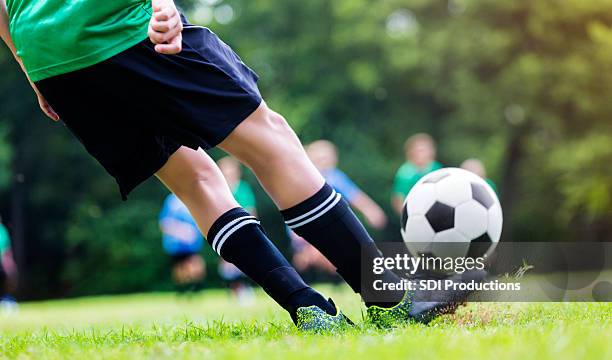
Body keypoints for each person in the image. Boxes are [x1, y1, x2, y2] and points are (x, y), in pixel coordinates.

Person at [1, 0, 479, 331]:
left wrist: (33, 68)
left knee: (196, 180)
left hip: (51, 57)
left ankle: (309, 310)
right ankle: (391, 299)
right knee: (273, 142)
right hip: (120, 25)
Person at [291, 140, 387, 274]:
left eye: (327, 159)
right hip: (305, 232)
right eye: (320, 159)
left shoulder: (335, 177)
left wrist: (371, 210)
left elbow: (355, 196)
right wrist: (302, 241)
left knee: (345, 253)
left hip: (329, 228)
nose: (324, 163)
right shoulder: (304, 179)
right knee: (309, 258)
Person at [217, 156, 256, 304]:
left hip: (242, 227)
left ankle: (245, 288)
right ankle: (233, 289)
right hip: (224, 228)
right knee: (227, 262)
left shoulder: (243, 188)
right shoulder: (219, 189)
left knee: (245, 260)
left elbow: (251, 209)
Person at [159, 194, 206, 291]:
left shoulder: (193, 196)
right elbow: (164, 222)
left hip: (192, 244)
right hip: (175, 245)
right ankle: (182, 290)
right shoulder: (172, 201)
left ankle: (195, 288)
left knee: (196, 266)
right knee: (180, 269)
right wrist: (179, 231)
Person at [391, 133, 443, 215]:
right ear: (412, 152)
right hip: (416, 214)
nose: (422, 154)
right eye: (419, 150)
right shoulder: (405, 173)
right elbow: (398, 199)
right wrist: (407, 216)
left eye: (425, 150)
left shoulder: (436, 168)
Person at [0, 217, 18, 312]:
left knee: (10, 276)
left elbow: (6, 250)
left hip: (2, 261)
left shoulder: (2, 231)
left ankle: (6, 298)